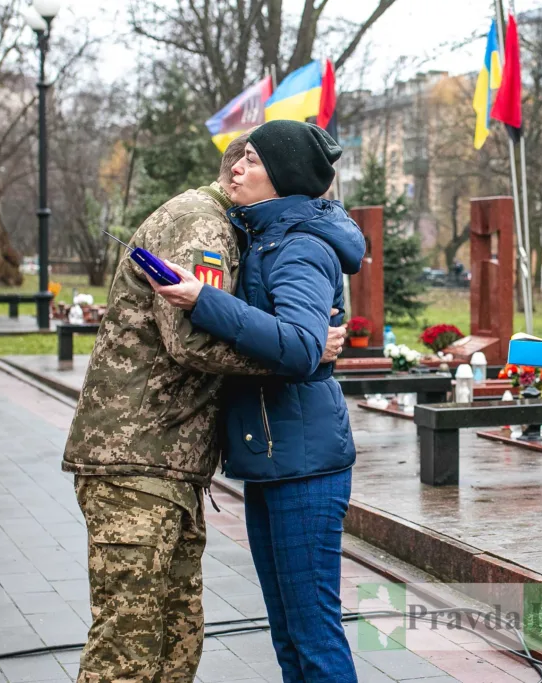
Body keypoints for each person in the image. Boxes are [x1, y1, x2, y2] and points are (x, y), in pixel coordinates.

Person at [61, 133, 346, 683]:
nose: (243, 169)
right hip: (138, 458)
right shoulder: (203, 224)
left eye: (255, 161)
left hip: (165, 460)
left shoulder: (250, 230)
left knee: (174, 635)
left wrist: (296, 345)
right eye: (244, 159)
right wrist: (297, 355)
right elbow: (189, 339)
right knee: (130, 645)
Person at [151, 120, 364, 683]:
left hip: (305, 464)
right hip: (275, 458)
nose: (235, 170)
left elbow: (298, 348)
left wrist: (203, 300)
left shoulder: (299, 248)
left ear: (284, 176)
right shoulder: (267, 237)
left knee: (313, 631)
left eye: (250, 160)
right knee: (289, 631)